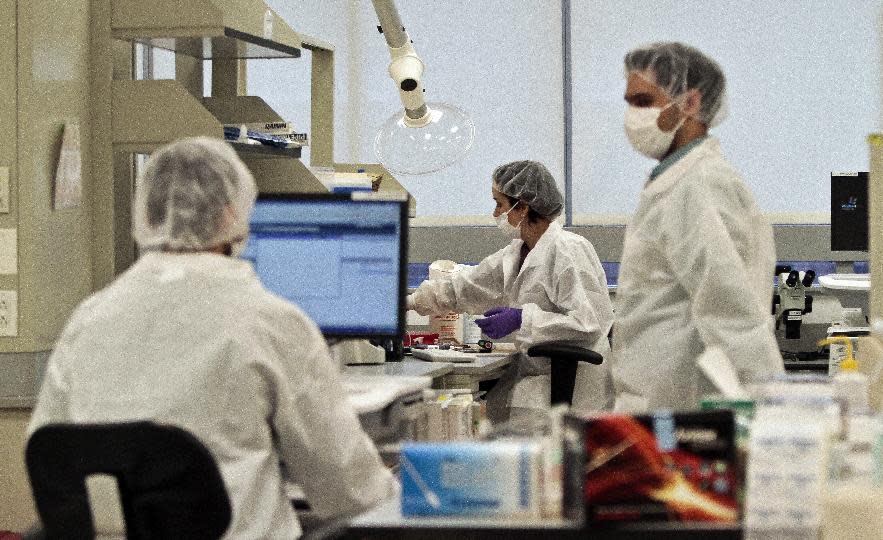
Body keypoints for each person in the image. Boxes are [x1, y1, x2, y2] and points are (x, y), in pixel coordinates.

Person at [27, 137, 397, 538]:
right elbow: (348, 489)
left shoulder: (89, 318)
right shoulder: (271, 321)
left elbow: (48, 455)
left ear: (146, 213)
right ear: (231, 212)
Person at [611, 42, 784, 412]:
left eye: (643, 102)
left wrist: (770, 412)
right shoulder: (675, 180)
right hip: (656, 399)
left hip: (682, 408)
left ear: (689, 103)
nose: (632, 116)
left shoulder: (698, 183)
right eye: (628, 102)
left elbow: (731, 309)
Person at [407, 160, 614, 422]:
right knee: (484, 420)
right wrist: (410, 301)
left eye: (500, 204)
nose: (496, 214)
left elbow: (588, 323)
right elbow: (466, 286)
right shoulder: (517, 253)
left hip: (571, 389)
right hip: (536, 378)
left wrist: (521, 319)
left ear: (523, 207)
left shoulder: (568, 251)